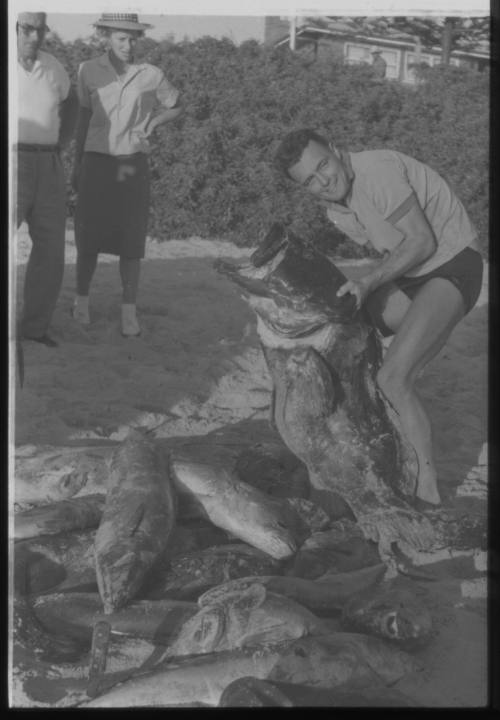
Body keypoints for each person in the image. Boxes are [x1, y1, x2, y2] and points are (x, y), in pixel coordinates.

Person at [273, 128, 483, 509]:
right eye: (310, 180)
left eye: (323, 165)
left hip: (453, 267)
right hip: (415, 278)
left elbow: (422, 242)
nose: (323, 180)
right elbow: (394, 252)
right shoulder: (337, 210)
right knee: (337, 327)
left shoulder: (376, 171)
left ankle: (427, 489)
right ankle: (368, 442)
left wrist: (368, 282)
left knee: (393, 377)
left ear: (337, 150)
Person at [72, 13, 182, 337]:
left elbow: (176, 105)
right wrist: (77, 164)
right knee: (88, 237)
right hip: (95, 162)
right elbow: (82, 119)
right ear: (106, 36)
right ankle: (81, 303)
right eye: (121, 38)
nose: (128, 45)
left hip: (133, 164)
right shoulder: (87, 71)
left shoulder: (151, 75)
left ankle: (129, 312)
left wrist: (154, 123)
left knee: (131, 240)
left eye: (133, 38)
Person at [16, 11, 77, 347]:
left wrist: (63, 142)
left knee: (52, 250)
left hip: (48, 164)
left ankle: (35, 328)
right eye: (27, 29)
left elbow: (73, 103)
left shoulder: (53, 66)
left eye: (41, 30)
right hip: (11, 161)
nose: (34, 37)